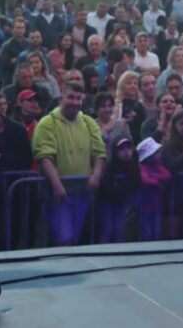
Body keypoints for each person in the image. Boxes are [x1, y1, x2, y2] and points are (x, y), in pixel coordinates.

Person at [32, 82, 107, 246]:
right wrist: (56, 184)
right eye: (71, 97)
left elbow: (99, 152)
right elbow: (44, 156)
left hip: (83, 191)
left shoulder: (89, 122)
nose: (75, 102)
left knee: (75, 238)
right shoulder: (47, 122)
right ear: (61, 99)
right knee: (64, 238)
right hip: (57, 193)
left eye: (78, 98)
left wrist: (96, 175)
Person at [97, 136, 140, 244]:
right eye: (122, 149)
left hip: (121, 202)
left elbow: (135, 184)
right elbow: (106, 187)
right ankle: (102, 251)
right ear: (115, 151)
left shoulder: (134, 164)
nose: (126, 151)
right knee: (107, 229)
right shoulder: (110, 166)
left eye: (128, 147)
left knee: (120, 230)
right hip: (106, 202)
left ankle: (121, 251)